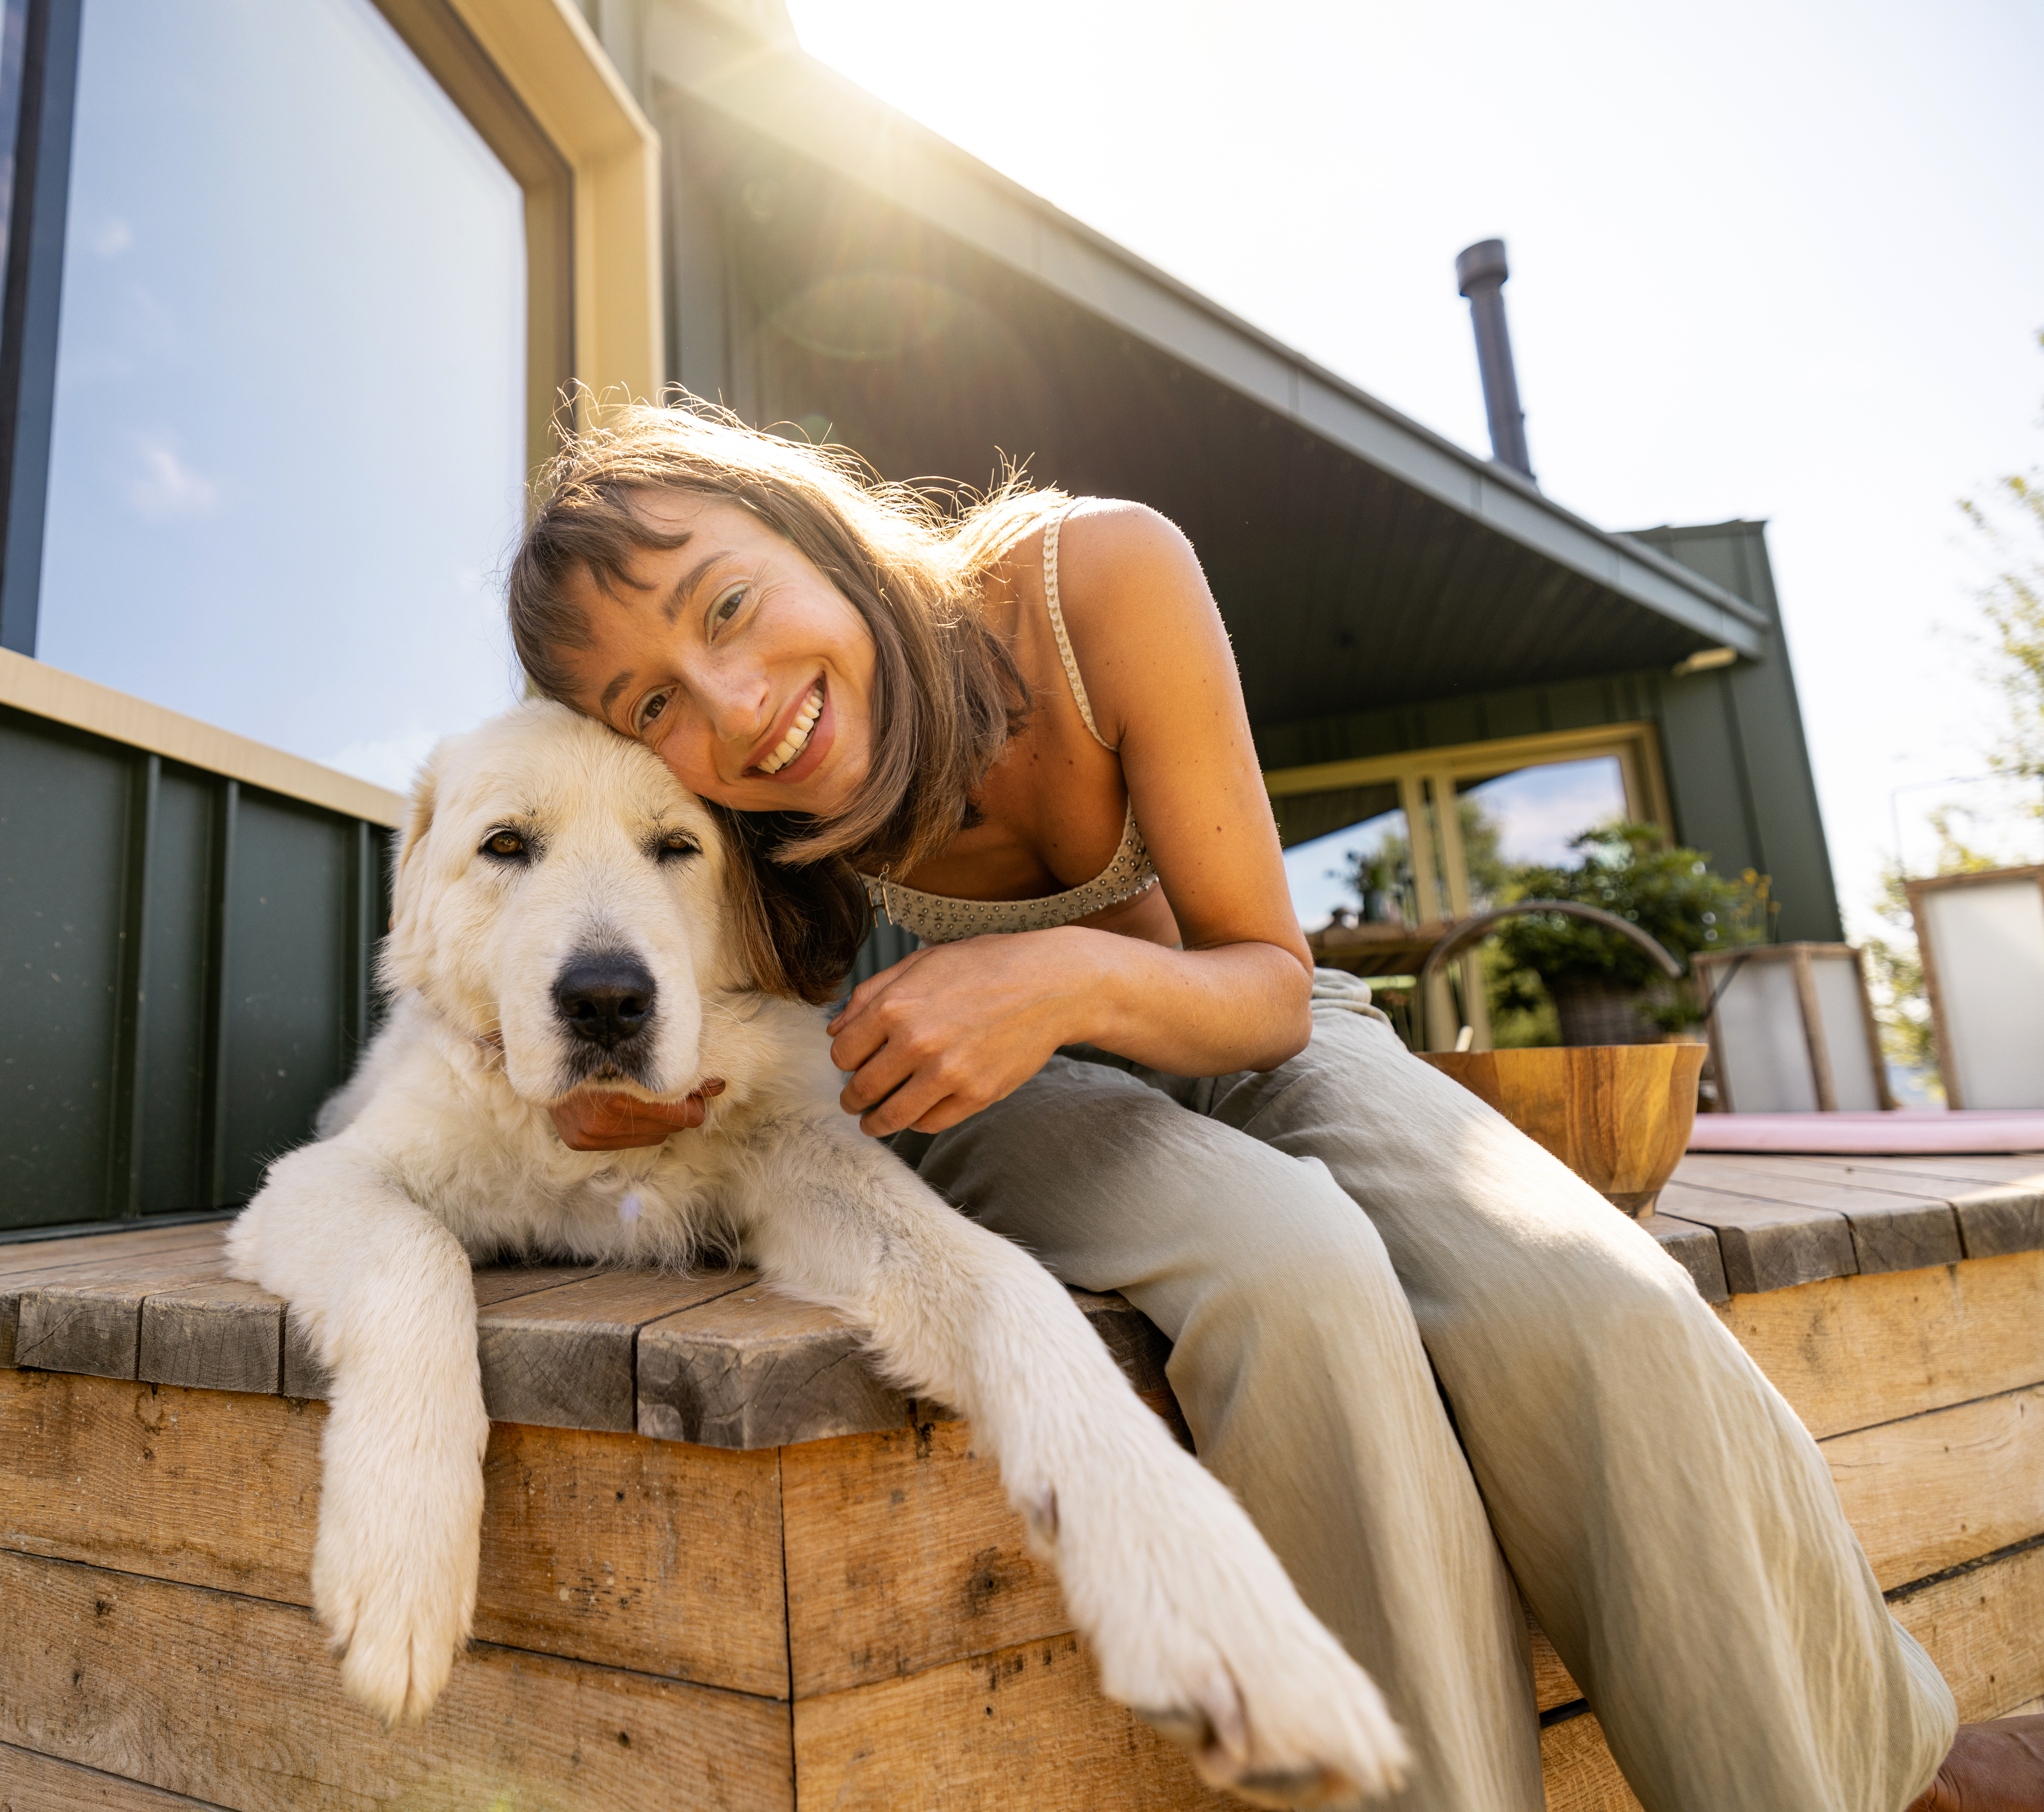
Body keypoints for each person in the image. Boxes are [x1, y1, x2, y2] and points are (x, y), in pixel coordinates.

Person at [499, 399, 2034, 1812]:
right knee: (1288, 1264)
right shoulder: (725, 811)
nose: (732, 702)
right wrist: (623, 1102)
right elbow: (668, 1036)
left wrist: (1059, 973)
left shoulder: (1090, 579)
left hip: (1244, 1021)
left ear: (811, 526)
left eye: (725, 605)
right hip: (963, 1097)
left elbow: (1268, 983)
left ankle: (1857, 1776)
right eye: (654, 706)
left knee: (1586, 1295)